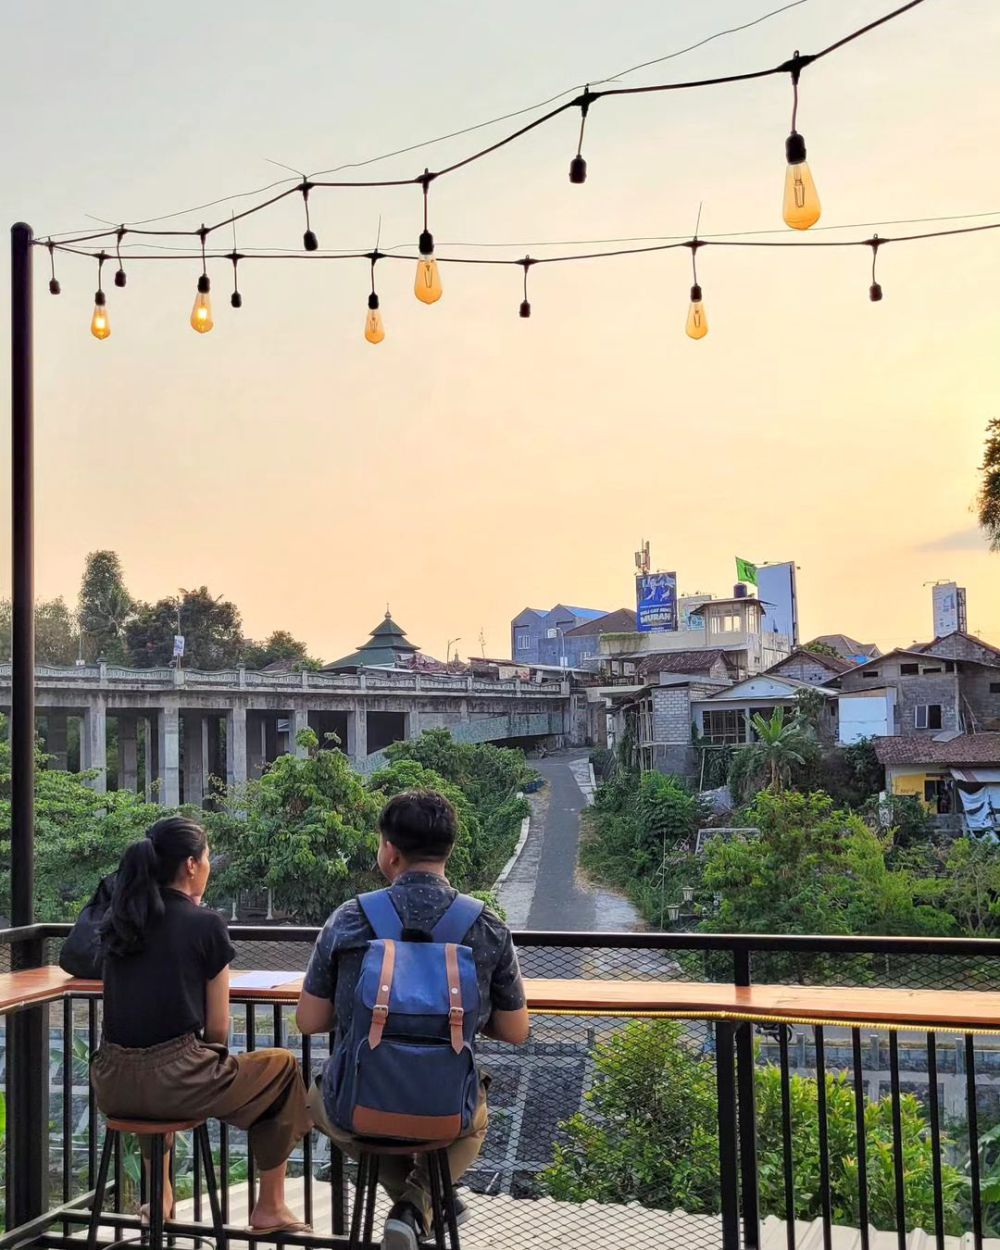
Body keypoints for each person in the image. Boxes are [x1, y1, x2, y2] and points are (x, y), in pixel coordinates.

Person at [297, 789, 530, 1250]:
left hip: (358, 1107)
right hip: (447, 1112)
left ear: (389, 850)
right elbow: (515, 1030)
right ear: (450, 848)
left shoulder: (349, 918)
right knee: (476, 1120)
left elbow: (309, 1019)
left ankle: (419, 1202)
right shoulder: (486, 925)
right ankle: (424, 1200)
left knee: (315, 1101)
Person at [91, 816, 311, 1234]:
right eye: (207, 858)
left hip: (113, 1083)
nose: (209, 866)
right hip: (173, 1085)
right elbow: (218, 1029)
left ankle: (159, 1195)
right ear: (191, 865)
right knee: (282, 1068)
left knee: (152, 1071)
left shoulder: (121, 923)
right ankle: (270, 1207)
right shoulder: (205, 924)